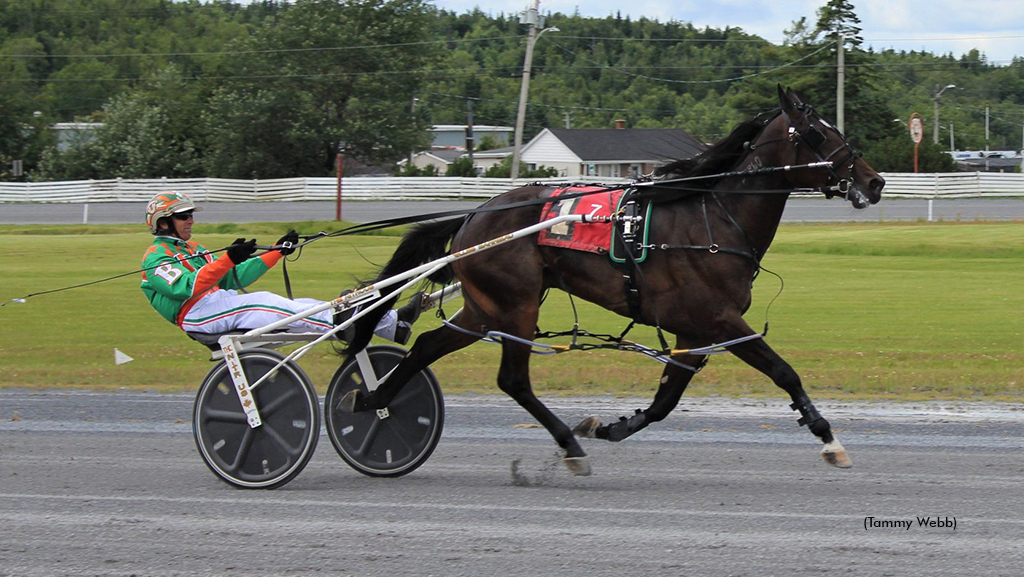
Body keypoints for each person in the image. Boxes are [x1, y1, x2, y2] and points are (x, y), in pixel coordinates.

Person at [140, 191, 422, 344]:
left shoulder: (194, 250)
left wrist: (276, 251)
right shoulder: (156, 257)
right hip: (196, 314)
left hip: (218, 304)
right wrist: (229, 258)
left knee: (303, 304)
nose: (191, 219)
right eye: (183, 216)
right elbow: (185, 288)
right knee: (267, 303)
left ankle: (392, 325)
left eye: (190, 214)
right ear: (164, 223)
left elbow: (233, 277)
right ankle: (343, 324)